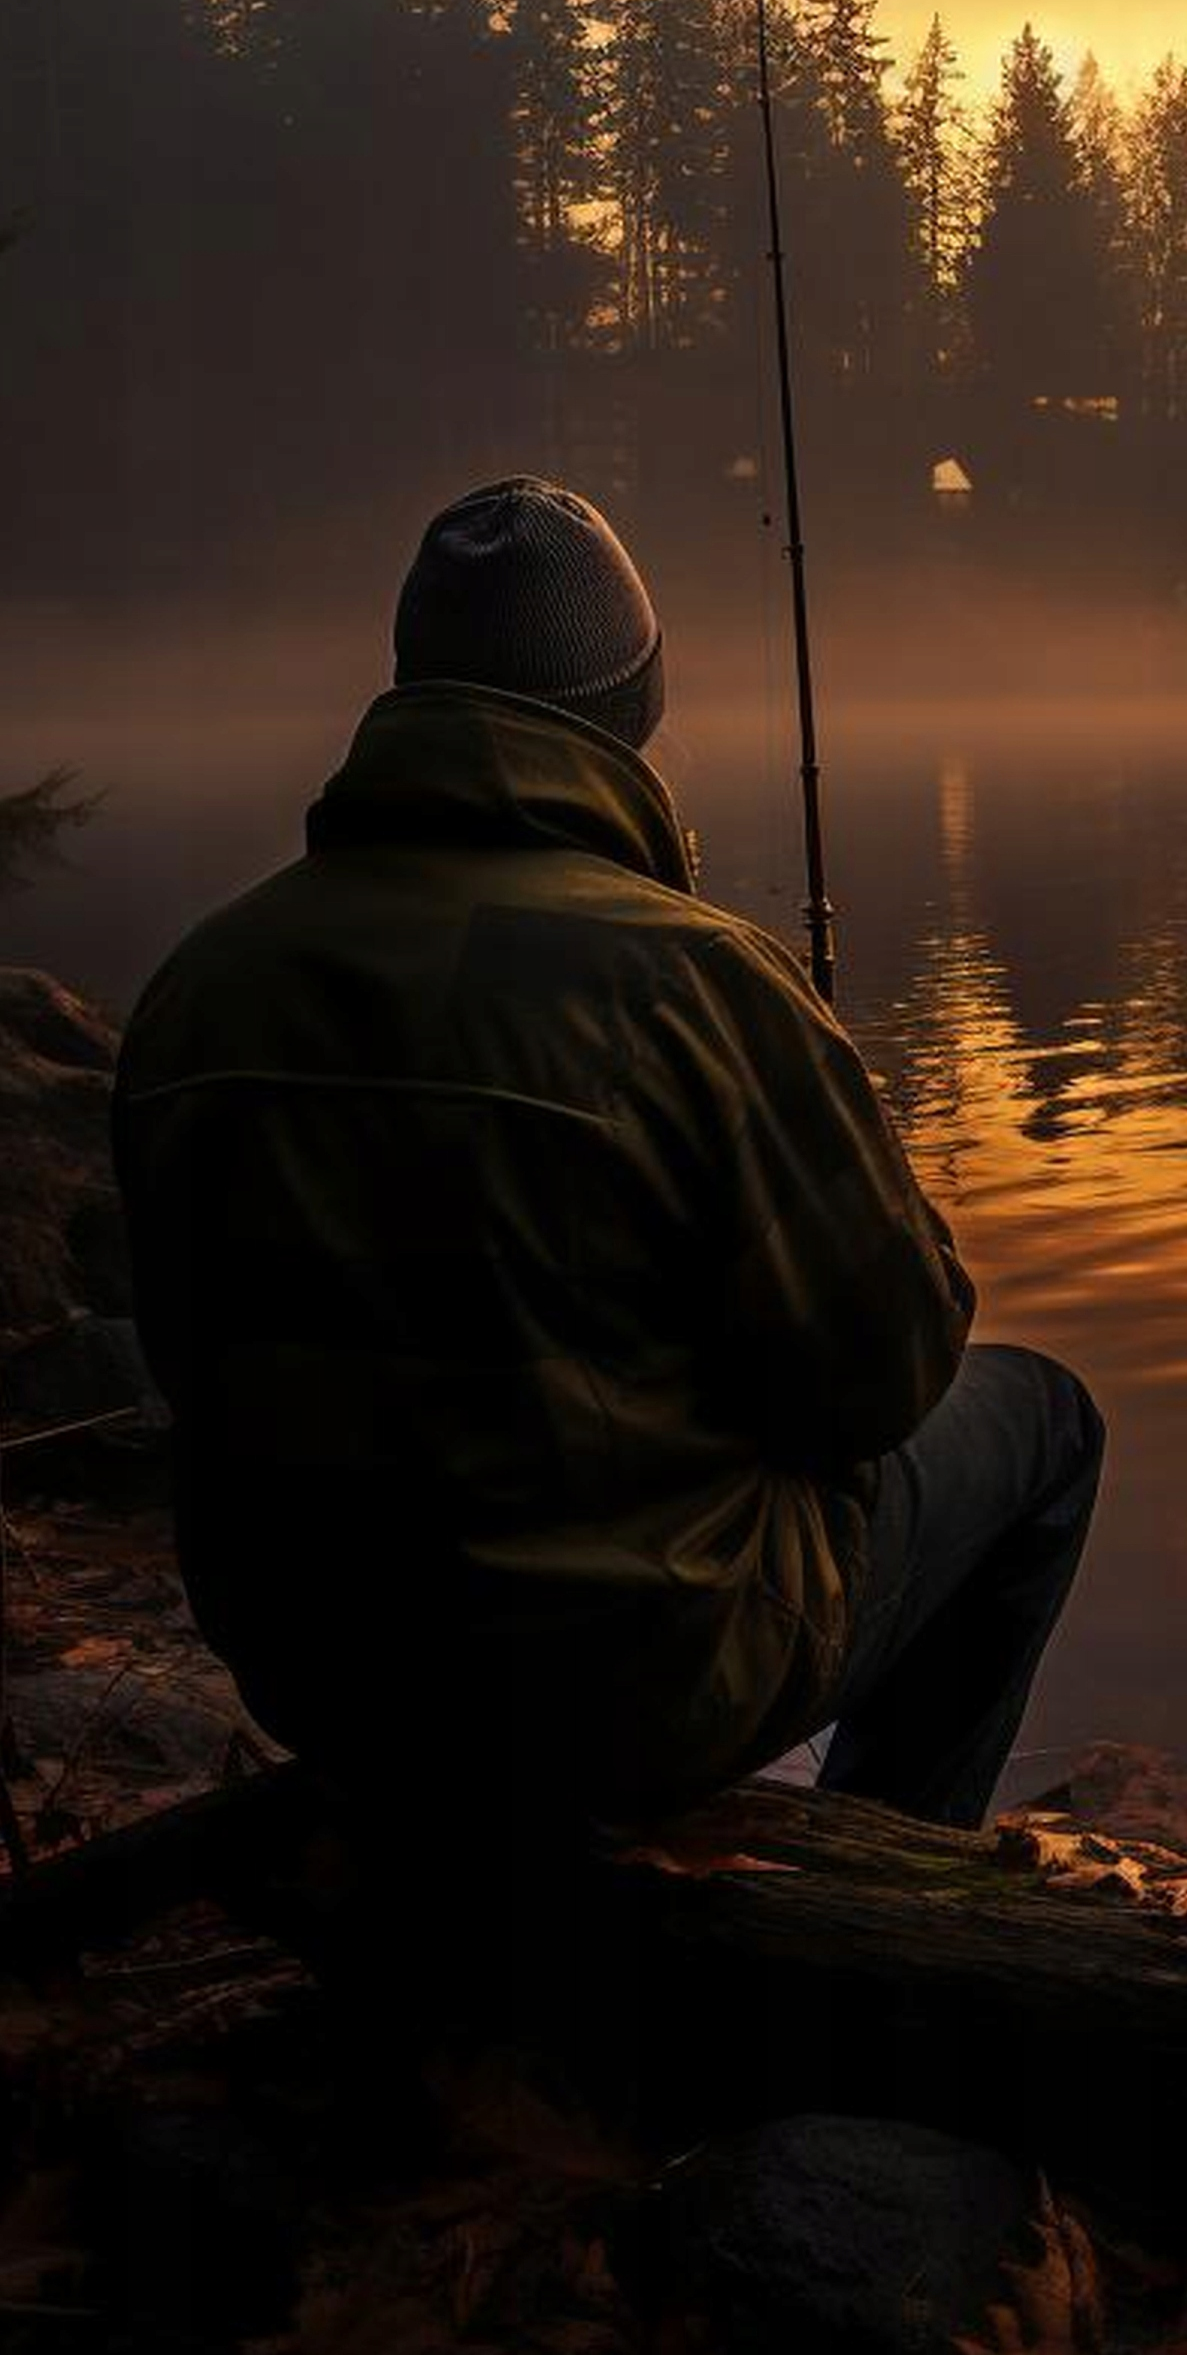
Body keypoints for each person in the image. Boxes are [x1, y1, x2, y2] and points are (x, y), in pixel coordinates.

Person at [112, 475, 1102, 1831]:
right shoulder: (696, 983)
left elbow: (183, 1365)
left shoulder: (202, 983)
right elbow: (883, 1380)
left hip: (319, 1675)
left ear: (413, 689)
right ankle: (892, 1863)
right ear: (632, 710)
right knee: (1045, 1421)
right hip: (623, 1694)